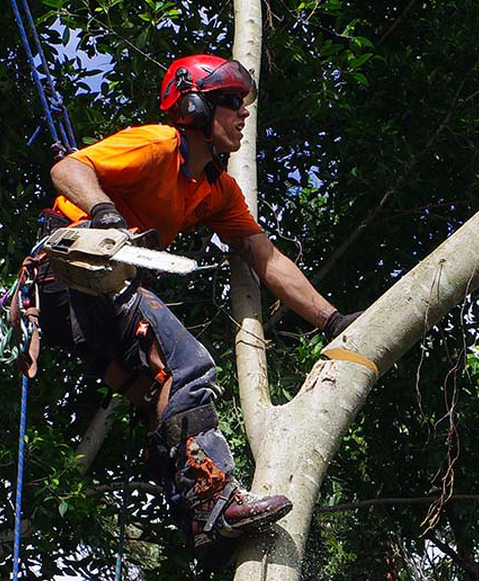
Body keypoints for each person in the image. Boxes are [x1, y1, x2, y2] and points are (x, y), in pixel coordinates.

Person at [38, 54, 359, 547]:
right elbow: (68, 167)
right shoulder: (158, 144)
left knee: (159, 395)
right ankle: (215, 500)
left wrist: (331, 319)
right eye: (231, 103)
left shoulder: (217, 191)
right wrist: (103, 211)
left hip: (105, 301)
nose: (242, 114)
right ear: (194, 107)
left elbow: (264, 256)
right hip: (69, 275)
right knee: (190, 363)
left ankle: (195, 514)